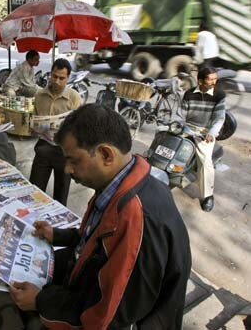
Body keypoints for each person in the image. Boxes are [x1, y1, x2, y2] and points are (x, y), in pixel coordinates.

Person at [10, 104, 192, 330]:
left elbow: (106, 317)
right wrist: (57, 235)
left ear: (106, 154)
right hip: (90, 281)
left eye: (73, 160)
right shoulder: (121, 184)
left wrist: (40, 301)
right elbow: (94, 238)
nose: (66, 170)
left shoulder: (136, 220)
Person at [29, 58, 81, 206]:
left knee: (61, 195)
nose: (57, 81)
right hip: (43, 147)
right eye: (54, 76)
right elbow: (34, 120)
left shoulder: (74, 98)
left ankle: (57, 227)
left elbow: (79, 127)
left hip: (64, 152)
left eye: (61, 78)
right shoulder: (39, 96)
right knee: (35, 192)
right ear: (50, 74)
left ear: (68, 78)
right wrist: (33, 129)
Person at [180, 67, 225, 212]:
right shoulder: (188, 93)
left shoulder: (219, 95)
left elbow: (219, 118)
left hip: (205, 131)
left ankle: (207, 195)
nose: (214, 82)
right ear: (200, 81)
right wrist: (177, 124)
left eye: (215, 79)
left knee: (205, 161)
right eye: (211, 79)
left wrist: (212, 132)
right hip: (187, 128)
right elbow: (180, 114)